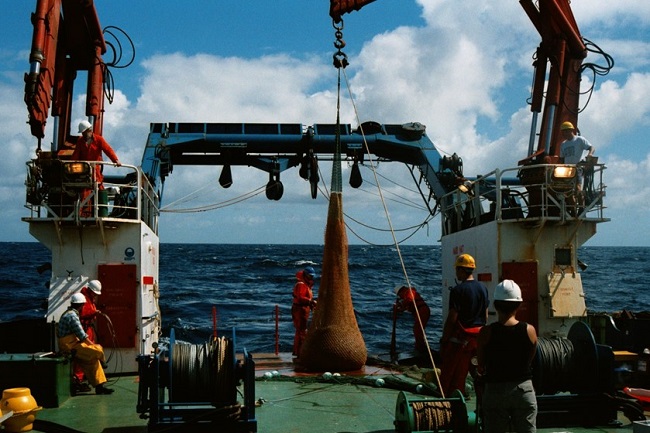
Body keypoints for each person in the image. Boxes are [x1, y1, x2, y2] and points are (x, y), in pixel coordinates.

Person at [477, 279, 538, 433]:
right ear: (518, 305)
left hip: (495, 391)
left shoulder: (486, 332)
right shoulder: (529, 330)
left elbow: (481, 363)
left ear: (496, 305)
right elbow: (530, 357)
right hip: (523, 390)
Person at [439, 253, 489, 398]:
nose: (456, 273)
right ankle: (482, 404)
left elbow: (452, 318)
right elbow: (485, 315)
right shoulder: (483, 288)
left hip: (461, 342)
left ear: (461, 270)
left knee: (453, 378)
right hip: (479, 339)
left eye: (457, 270)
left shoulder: (457, 291)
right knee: (479, 374)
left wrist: (445, 340)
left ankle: (454, 408)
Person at [58, 292, 114, 395]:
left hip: (72, 344)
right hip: (69, 346)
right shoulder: (72, 316)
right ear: (82, 305)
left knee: (92, 360)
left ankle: (99, 386)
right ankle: (102, 361)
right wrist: (93, 345)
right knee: (97, 349)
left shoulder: (70, 313)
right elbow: (82, 335)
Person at [73, 280, 104, 388]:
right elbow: (83, 314)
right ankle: (78, 378)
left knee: (90, 354)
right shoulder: (84, 299)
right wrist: (94, 313)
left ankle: (90, 378)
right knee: (85, 353)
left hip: (87, 329)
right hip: (84, 330)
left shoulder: (88, 298)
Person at [73, 120, 121, 185]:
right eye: (82, 133)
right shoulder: (80, 141)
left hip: (96, 169)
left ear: (90, 130)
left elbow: (108, 150)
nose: (83, 134)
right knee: (84, 188)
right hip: (84, 170)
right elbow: (76, 154)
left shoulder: (99, 140)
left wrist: (115, 160)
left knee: (99, 185)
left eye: (84, 132)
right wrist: (72, 164)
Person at [394, 286, 431, 354]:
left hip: (422, 311)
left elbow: (409, 300)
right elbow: (407, 305)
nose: (400, 297)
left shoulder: (409, 292)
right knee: (417, 330)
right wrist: (400, 308)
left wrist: (401, 304)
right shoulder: (407, 294)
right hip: (421, 311)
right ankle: (420, 347)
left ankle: (421, 348)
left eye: (399, 295)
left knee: (417, 330)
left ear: (401, 291)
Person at [292, 266, 317, 357]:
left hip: (303, 308)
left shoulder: (306, 284)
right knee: (302, 331)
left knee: (300, 330)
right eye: (310, 276)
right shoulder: (301, 284)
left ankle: (298, 351)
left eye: (312, 276)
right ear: (305, 275)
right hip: (300, 309)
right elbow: (301, 297)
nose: (311, 278)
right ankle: (301, 352)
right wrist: (311, 301)